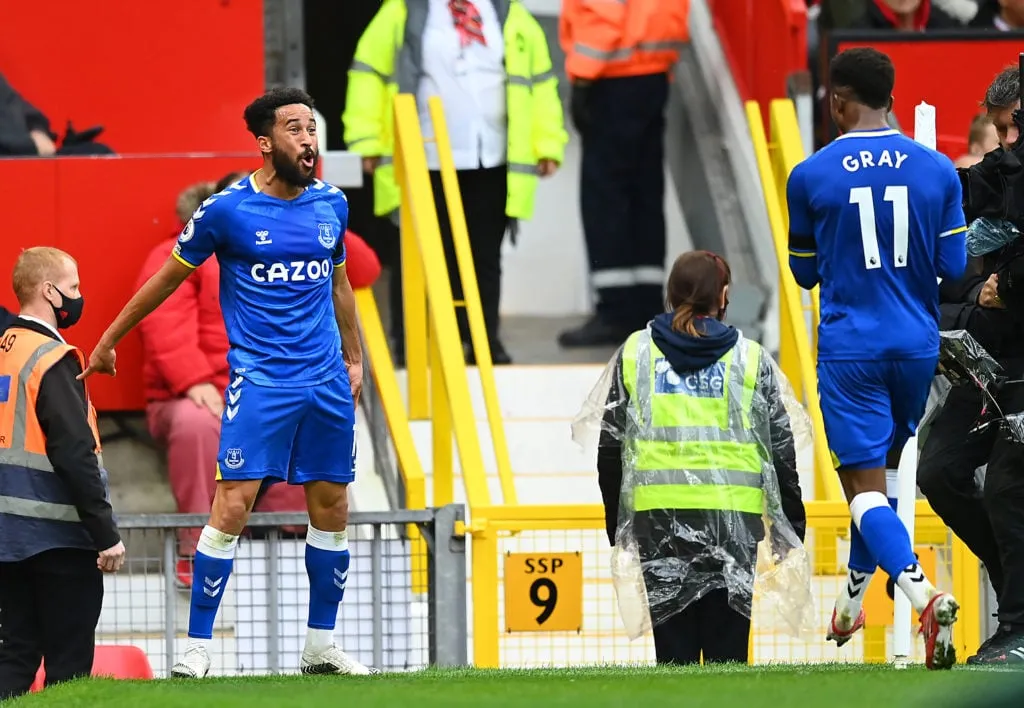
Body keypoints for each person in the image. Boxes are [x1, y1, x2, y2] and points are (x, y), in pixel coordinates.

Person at [80, 87, 374, 677]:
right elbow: (164, 282)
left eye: (312, 128)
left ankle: (320, 646)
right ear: (265, 142)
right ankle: (197, 646)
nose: (309, 140)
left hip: (324, 383)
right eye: (295, 129)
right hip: (261, 383)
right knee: (231, 505)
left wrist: (356, 356)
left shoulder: (331, 206)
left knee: (333, 506)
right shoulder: (227, 212)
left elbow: (342, 282)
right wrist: (109, 337)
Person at [786, 47, 966, 669]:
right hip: (916, 346)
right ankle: (854, 598)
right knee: (885, 480)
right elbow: (955, 267)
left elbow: (804, 272)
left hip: (851, 349)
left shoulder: (811, 175)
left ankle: (922, 594)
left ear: (837, 99)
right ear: (892, 95)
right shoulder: (938, 169)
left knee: (859, 487)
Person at [593, 251, 807, 665]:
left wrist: (617, 523)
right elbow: (780, 449)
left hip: (658, 519)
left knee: (674, 660)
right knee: (729, 660)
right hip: (735, 521)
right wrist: (791, 526)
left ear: (670, 295)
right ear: (723, 295)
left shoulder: (636, 353)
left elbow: (610, 448)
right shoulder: (751, 359)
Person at [344, 0, 567, 365]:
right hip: (422, 157)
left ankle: (483, 342)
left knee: (484, 256)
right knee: (419, 254)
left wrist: (547, 143)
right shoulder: (400, 13)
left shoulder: (510, 15)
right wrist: (366, 139)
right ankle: (415, 344)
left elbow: (540, 84)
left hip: (491, 155)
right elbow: (368, 74)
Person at [917, 64, 1024, 665]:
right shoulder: (997, 180)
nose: (1007, 143)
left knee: (1010, 489)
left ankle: (1017, 626)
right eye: (1001, 132)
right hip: (989, 357)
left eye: (1010, 131)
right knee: (939, 471)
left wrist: (1003, 284)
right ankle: (1014, 585)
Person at [0, 248, 126, 699]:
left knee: (14, 657)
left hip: (8, 541)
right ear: (48, 292)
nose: (78, 297)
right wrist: (105, 533)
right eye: (72, 288)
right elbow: (75, 454)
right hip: (59, 536)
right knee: (69, 668)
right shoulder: (52, 357)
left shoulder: (5, 350)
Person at [557, 0, 690, 348]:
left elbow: (602, 14)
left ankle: (615, 310)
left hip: (612, 78)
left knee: (606, 196)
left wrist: (584, 78)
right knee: (644, 192)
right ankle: (645, 304)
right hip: (652, 73)